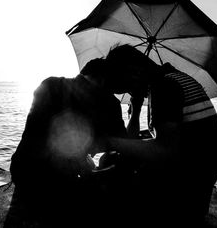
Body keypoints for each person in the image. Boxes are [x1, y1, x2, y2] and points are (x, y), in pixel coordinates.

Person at [8, 57, 142, 227]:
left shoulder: (49, 85)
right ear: (105, 78)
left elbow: (42, 139)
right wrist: (136, 110)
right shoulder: (109, 103)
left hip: (23, 172)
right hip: (60, 183)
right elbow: (128, 147)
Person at [101, 44, 217, 227]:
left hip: (190, 182)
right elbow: (147, 141)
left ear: (134, 72)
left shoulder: (164, 86)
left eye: (126, 86)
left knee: (112, 170)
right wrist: (135, 112)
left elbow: (165, 150)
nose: (130, 91)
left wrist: (107, 141)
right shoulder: (174, 78)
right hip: (201, 171)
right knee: (117, 158)